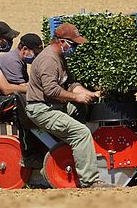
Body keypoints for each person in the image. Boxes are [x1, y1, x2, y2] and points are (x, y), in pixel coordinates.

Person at [25, 23, 111, 188]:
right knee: (81, 133)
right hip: (42, 109)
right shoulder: (48, 59)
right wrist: (75, 97)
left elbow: (70, 83)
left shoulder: (60, 58)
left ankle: (80, 150)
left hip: (54, 106)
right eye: (73, 44)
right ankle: (90, 181)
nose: (75, 48)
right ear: (60, 41)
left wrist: (86, 93)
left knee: (81, 107)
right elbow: (50, 90)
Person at [0, 33, 45, 169]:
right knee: (26, 112)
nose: (36, 56)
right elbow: (22, 88)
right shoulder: (12, 61)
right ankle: (29, 153)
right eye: (35, 53)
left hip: (6, 98)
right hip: (0, 101)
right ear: (24, 49)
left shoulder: (19, 61)